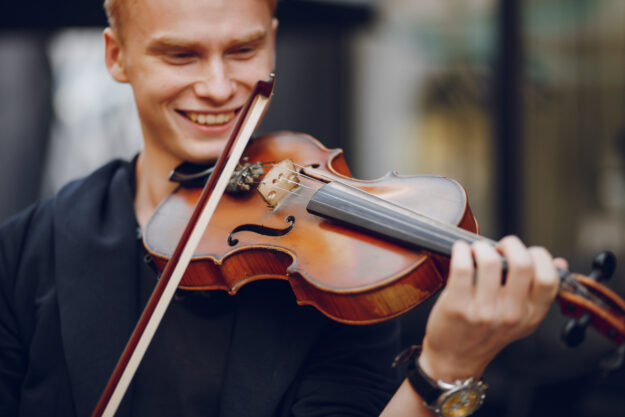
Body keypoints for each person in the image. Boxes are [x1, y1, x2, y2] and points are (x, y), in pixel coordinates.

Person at [0, 0, 566, 416]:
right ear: (117, 55)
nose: (220, 87)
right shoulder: (25, 252)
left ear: (271, 42)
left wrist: (444, 369)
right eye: (181, 55)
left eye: (243, 50)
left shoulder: (342, 271)